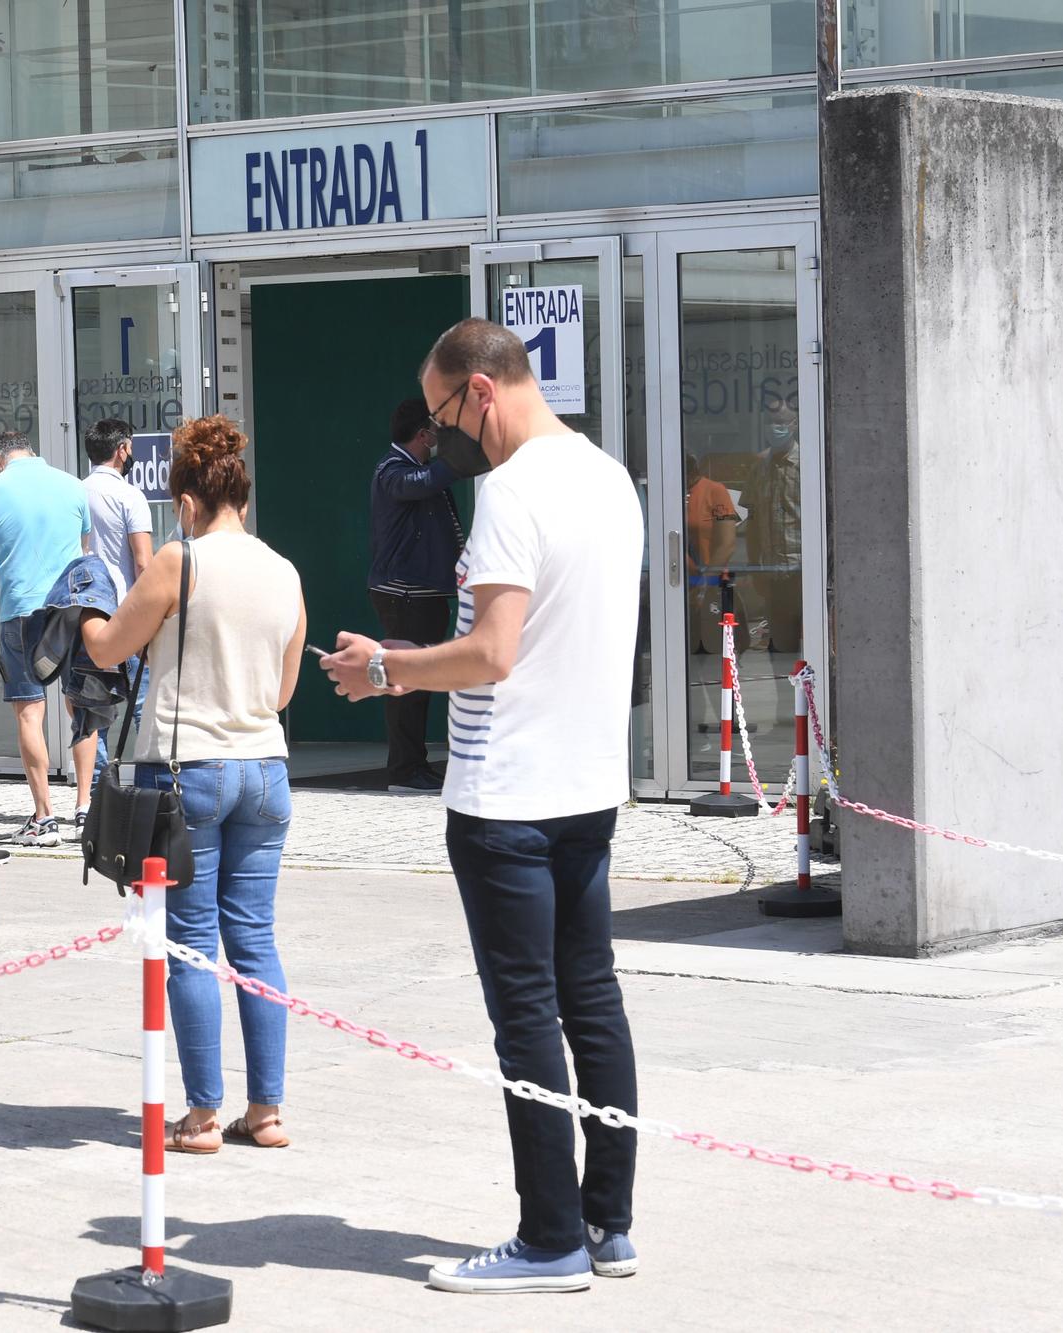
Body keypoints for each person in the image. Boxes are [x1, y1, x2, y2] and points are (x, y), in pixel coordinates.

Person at [323, 318, 644, 1295]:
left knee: (526, 1018)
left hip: (506, 794)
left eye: (438, 414)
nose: (437, 437)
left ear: (480, 392)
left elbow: (491, 652)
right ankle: (607, 1224)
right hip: (587, 786)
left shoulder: (510, 493)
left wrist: (383, 669)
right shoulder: (608, 476)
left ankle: (547, 1238)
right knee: (590, 1000)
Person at [81, 416, 307, 1157]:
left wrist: (84, 608)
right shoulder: (285, 570)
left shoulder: (180, 562)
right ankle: (266, 1110)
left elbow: (111, 646)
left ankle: (203, 1115)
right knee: (256, 939)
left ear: (185, 501)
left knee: (190, 942)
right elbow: (281, 693)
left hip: (190, 772)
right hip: (266, 769)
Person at [0, 429, 92, 847]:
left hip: (21, 611)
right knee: (82, 705)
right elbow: (82, 545)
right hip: (72, 609)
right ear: (33, 452)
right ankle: (84, 809)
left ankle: (45, 817)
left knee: (29, 713)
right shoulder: (74, 485)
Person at [368, 397, 463, 794]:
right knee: (407, 682)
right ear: (423, 434)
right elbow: (416, 486)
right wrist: (459, 460)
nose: (441, 436)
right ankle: (404, 771)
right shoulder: (393, 469)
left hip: (422, 593)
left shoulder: (417, 469)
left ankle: (414, 765)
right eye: (437, 429)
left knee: (419, 683)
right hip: (404, 594)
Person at [82, 418, 154, 800]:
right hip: (127, 615)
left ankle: (99, 797)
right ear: (123, 448)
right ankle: (153, 786)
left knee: (95, 711)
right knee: (144, 705)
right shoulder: (130, 496)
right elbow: (143, 562)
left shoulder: (76, 492)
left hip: (90, 615)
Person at [748, 398, 802, 654]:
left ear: (794, 425)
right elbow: (753, 521)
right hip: (773, 575)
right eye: (770, 423)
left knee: (817, 657)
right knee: (782, 653)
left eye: (781, 423)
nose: (775, 428)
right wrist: (752, 565)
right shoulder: (760, 467)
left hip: (804, 574)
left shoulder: (809, 465)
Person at [684, 452, 739, 654]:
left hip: (711, 581)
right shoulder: (669, 493)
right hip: (679, 583)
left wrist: (705, 580)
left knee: (715, 650)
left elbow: (727, 543)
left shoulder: (715, 491)